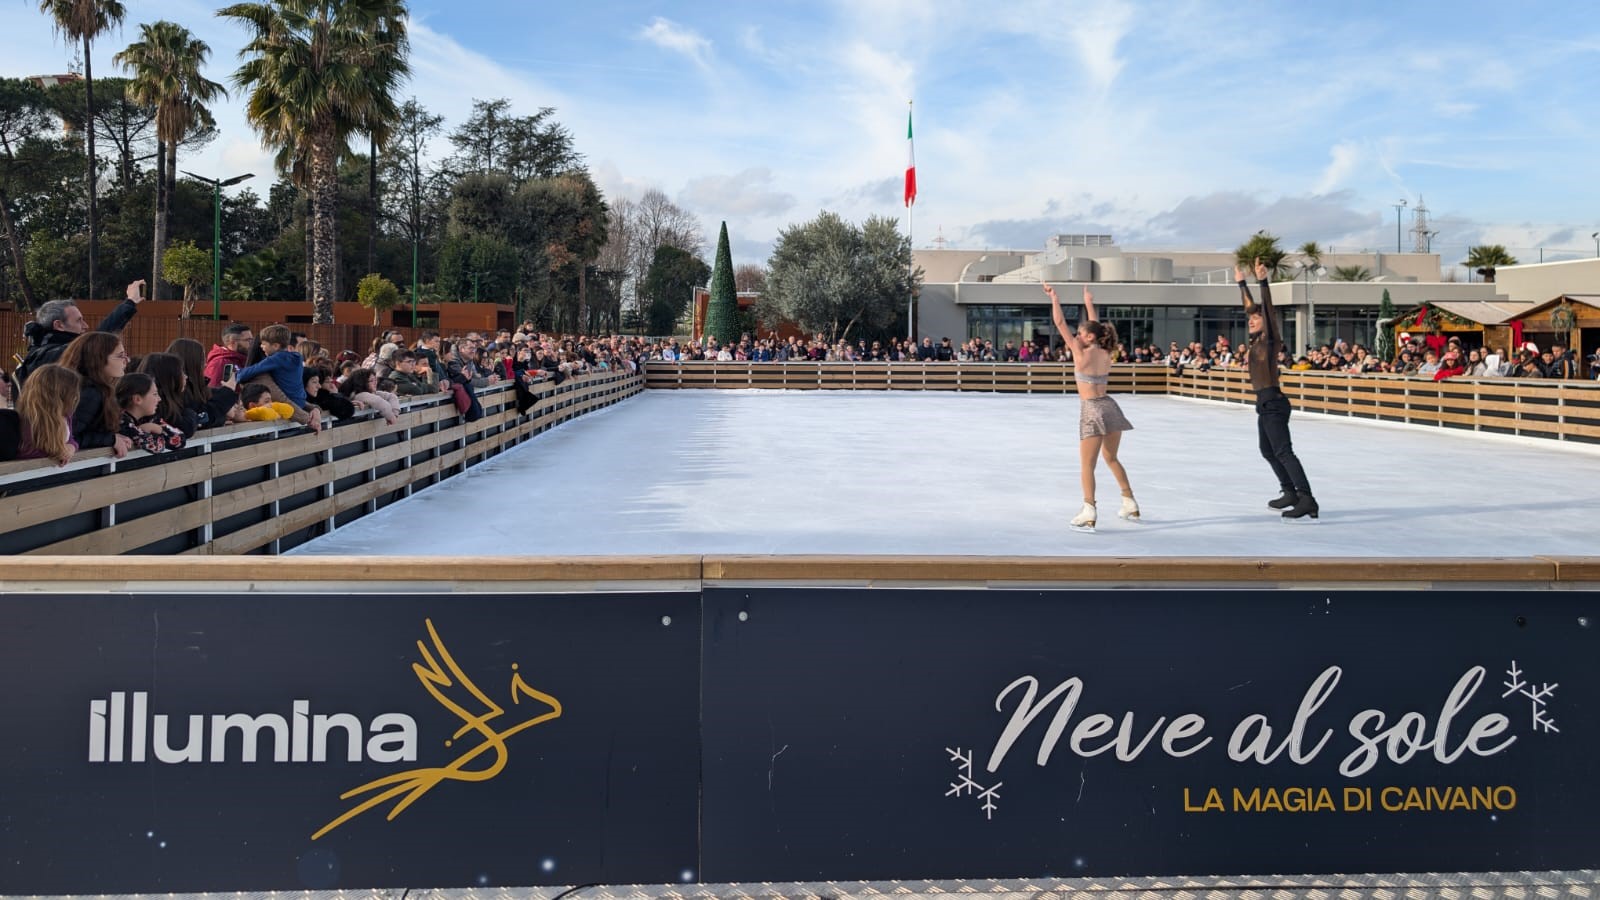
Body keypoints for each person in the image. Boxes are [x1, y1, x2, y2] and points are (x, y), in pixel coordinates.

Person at [1045, 282, 1138, 531]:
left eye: (1082, 333)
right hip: (1111, 406)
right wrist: (1088, 303)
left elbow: (1060, 324)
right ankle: (1129, 500)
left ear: (1090, 337)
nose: (1077, 336)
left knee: (1088, 464)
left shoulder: (1080, 353)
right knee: (1111, 457)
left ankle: (1089, 508)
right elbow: (1095, 326)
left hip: (1092, 409)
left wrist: (1055, 298)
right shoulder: (1106, 353)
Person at [1238, 258, 1316, 519]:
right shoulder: (1255, 341)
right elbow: (1250, 308)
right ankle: (1289, 492)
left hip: (1274, 402)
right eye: (1251, 318)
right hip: (1264, 402)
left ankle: (1307, 499)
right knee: (1268, 451)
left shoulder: (1271, 340)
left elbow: (1268, 309)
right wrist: (1241, 284)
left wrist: (1262, 281)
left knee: (1283, 451)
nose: (1252, 320)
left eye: (1257, 318)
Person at [16, 279, 145, 387]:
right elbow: (96, 341)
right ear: (59, 325)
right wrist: (130, 302)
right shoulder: (48, 355)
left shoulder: (46, 352)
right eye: (79, 321)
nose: (86, 326)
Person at [59, 331, 134, 458]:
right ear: (98, 359)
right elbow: (69, 437)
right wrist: (110, 439)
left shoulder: (87, 388)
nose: (127, 360)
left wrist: (114, 437)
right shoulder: (89, 393)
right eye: (120, 356)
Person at [14, 364, 82, 466]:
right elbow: (26, 451)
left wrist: (72, 447)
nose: (76, 396)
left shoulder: (66, 414)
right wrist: (56, 453)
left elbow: (71, 438)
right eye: (72, 392)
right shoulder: (29, 418)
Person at [116, 372, 186, 454]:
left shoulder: (149, 418)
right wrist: (147, 430)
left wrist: (158, 429)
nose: (159, 399)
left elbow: (181, 440)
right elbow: (156, 447)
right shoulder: (122, 421)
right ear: (137, 399)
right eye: (155, 394)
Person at [204, 322, 253, 386]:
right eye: (248, 340)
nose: (252, 343)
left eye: (252, 340)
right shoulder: (220, 363)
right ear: (233, 343)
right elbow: (214, 392)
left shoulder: (240, 359)